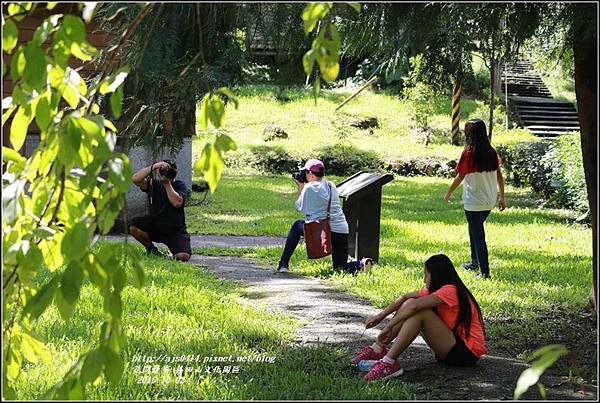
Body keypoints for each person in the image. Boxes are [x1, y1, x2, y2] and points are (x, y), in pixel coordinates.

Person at [351, 254, 487, 381]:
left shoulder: (450, 290)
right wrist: (380, 316)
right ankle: (377, 349)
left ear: (436, 275)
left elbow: (415, 307)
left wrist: (389, 326)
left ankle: (389, 363)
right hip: (453, 346)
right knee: (410, 303)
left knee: (420, 312)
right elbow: (406, 298)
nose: (424, 279)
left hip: (466, 354)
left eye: (426, 275)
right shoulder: (438, 289)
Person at [277, 159, 373, 274]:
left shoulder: (309, 188)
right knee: (340, 267)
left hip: (323, 231)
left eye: (305, 173)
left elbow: (299, 207)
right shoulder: (330, 184)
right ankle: (361, 264)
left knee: (297, 225)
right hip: (341, 230)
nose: (304, 175)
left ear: (311, 174)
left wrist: (300, 187)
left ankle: (283, 264)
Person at [444, 119, 506, 279]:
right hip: (489, 200)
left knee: (478, 234)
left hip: (473, 201)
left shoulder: (468, 153)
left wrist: (449, 192)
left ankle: (484, 272)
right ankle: (474, 262)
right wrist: (502, 197)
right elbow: (499, 176)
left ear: (470, 134)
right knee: (474, 229)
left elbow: (460, 176)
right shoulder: (492, 152)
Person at [129, 160, 192, 262]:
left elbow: (177, 203)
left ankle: (172, 252)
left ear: (176, 172)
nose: (166, 173)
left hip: (175, 230)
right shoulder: (153, 184)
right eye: (163, 171)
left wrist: (166, 183)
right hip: (156, 226)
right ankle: (151, 249)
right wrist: (154, 166)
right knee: (133, 225)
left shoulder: (180, 185)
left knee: (183, 257)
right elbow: (135, 179)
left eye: (170, 170)